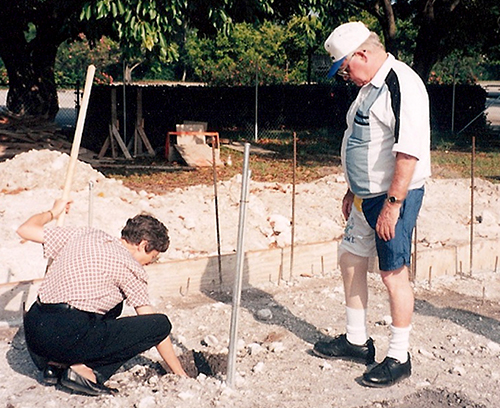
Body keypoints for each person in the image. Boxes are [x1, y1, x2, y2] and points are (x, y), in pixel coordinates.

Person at [313, 21, 431, 387]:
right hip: (366, 197)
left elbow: (409, 152)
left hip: (392, 196)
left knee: (392, 272)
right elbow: (362, 140)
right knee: (350, 258)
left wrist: (393, 204)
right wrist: (353, 190)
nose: (345, 76)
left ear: (362, 54)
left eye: (346, 68)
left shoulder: (402, 83)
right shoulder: (368, 87)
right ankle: (356, 339)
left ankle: (399, 356)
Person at [17, 199, 188, 396]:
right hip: (64, 335)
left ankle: (55, 365)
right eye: (153, 257)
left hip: (35, 329)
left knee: (114, 306)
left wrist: (53, 212)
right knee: (160, 324)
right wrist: (179, 373)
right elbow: (150, 322)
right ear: (143, 245)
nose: (150, 263)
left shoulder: (87, 234)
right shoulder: (129, 266)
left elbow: (25, 229)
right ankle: (84, 370)